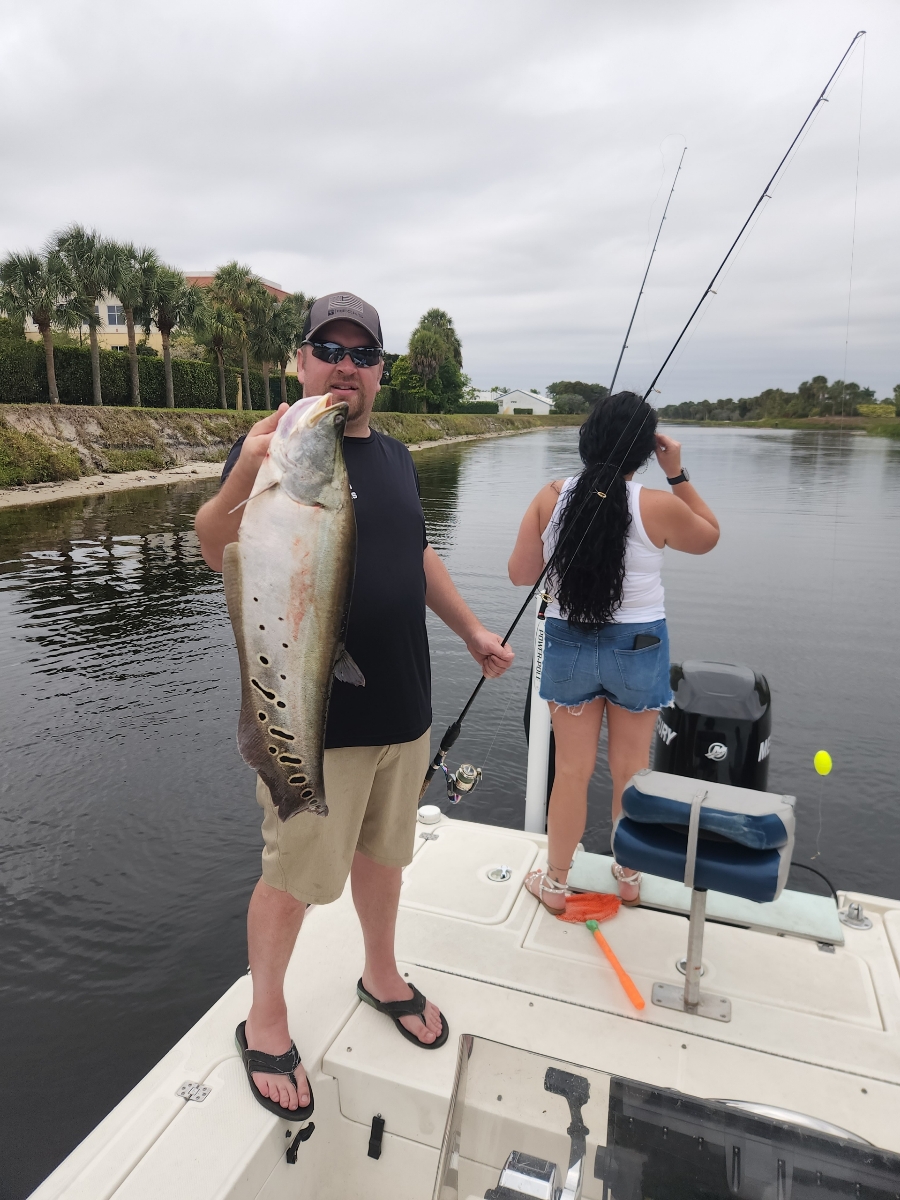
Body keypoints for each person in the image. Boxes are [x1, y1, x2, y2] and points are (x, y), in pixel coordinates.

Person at [195, 292, 514, 1116]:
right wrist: (244, 468)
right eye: (328, 350)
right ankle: (266, 1018)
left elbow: (417, 553)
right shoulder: (273, 452)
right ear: (299, 363)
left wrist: (474, 628)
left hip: (404, 708)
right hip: (313, 719)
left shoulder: (399, 459)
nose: (345, 366)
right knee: (292, 874)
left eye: (362, 354)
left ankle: (381, 972)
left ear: (379, 372)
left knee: (386, 856)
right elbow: (209, 543)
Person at [507, 391, 718, 912]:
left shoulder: (549, 496)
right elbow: (709, 536)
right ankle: (628, 875)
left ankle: (556, 884)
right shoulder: (659, 506)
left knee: (571, 772)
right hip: (639, 648)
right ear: (646, 450)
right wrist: (677, 472)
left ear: (588, 436)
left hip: (569, 645)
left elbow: (519, 575)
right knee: (631, 770)